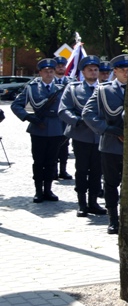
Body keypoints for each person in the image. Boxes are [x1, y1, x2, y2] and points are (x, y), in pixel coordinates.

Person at [82, 54, 128, 234]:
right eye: (122, 70)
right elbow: (88, 114)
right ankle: (113, 219)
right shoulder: (103, 90)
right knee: (110, 184)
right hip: (111, 145)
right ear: (114, 72)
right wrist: (107, 129)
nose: (126, 73)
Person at [58, 55, 107, 218]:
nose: (93, 72)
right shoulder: (73, 88)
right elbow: (64, 110)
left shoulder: (106, 88)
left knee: (97, 171)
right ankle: (82, 203)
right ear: (83, 72)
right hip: (82, 135)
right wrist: (77, 121)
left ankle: (93, 202)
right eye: (89, 70)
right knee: (81, 169)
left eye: (95, 69)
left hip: (100, 136)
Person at [12, 59, 66, 203]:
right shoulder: (32, 87)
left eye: (51, 71)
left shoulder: (62, 88)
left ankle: (48, 190)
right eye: (46, 71)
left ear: (54, 72)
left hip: (56, 128)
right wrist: (29, 118)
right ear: (40, 72)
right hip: (38, 129)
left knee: (52, 161)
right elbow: (16, 105)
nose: (49, 74)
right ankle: (38, 191)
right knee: (38, 161)